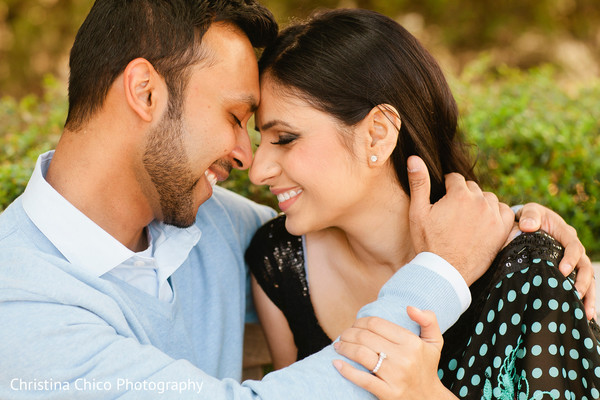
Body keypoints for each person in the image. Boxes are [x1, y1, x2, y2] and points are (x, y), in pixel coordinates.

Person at [0, 1, 547, 399]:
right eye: (237, 117)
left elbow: (356, 221)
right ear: (145, 92)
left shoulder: (208, 225)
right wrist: (442, 273)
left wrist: (521, 227)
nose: (248, 158)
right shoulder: (19, 306)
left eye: (272, 134)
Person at [245, 8, 600, 399]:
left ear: (377, 135)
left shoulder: (528, 271)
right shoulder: (281, 261)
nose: (257, 171)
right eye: (262, 141)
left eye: (284, 138)